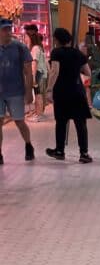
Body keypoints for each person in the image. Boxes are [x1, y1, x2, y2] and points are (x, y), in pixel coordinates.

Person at [46, 27, 92, 164]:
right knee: (80, 123)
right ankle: (84, 153)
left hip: (62, 92)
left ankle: (60, 151)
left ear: (57, 39)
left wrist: (49, 90)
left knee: (61, 122)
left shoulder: (56, 52)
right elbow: (88, 72)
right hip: (77, 91)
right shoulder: (78, 53)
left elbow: (55, 71)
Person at [0, 17, 35, 164]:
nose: (8, 31)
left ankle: (28, 145)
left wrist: (29, 91)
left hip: (16, 90)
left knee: (19, 121)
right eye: (4, 29)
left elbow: (28, 71)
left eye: (9, 28)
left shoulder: (20, 47)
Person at [28, 30, 48, 121]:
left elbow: (34, 63)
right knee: (39, 94)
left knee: (38, 95)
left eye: (27, 37)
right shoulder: (39, 48)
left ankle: (39, 115)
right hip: (42, 74)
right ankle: (39, 113)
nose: (26, 39)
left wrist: (33, 77)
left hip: (38, 74)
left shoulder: (35, 48)